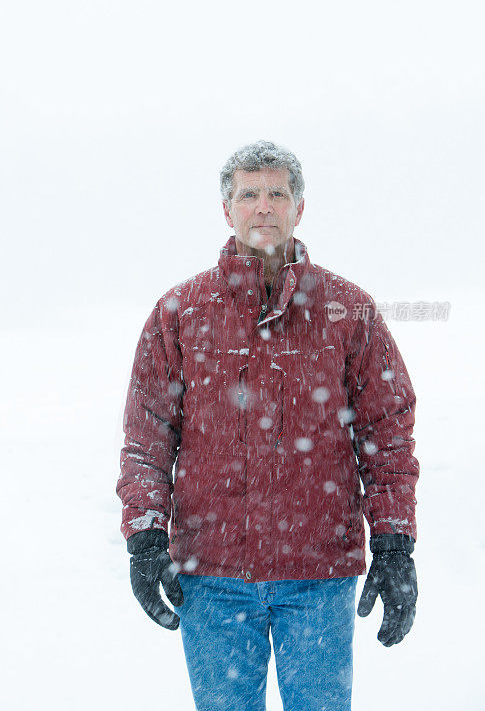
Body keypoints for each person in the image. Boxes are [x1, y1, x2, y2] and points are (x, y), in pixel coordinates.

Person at [116, 140, 419, 711]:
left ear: (299, 207)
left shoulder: (346, 309)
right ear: (226, 208)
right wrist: (146, 537)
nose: (263, 207)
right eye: (248, 194)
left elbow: (388, 435)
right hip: (212, 574)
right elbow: (147, 436)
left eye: (276, 193)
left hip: (319, 574)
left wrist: (395, 544)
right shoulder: (179, 312)